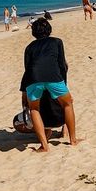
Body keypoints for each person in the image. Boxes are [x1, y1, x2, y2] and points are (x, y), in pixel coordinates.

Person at [20, 17, 80, 152]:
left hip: (33, 78)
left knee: (34, 109)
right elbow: (62, 65)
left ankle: (44, 146)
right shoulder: (57, 42)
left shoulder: (29, 48)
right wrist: (64, 83)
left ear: (34, 32)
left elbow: (27, 68)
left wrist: (24, 91)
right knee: (67, 103)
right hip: (53, 76)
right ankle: (73, 140)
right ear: (49, 30)